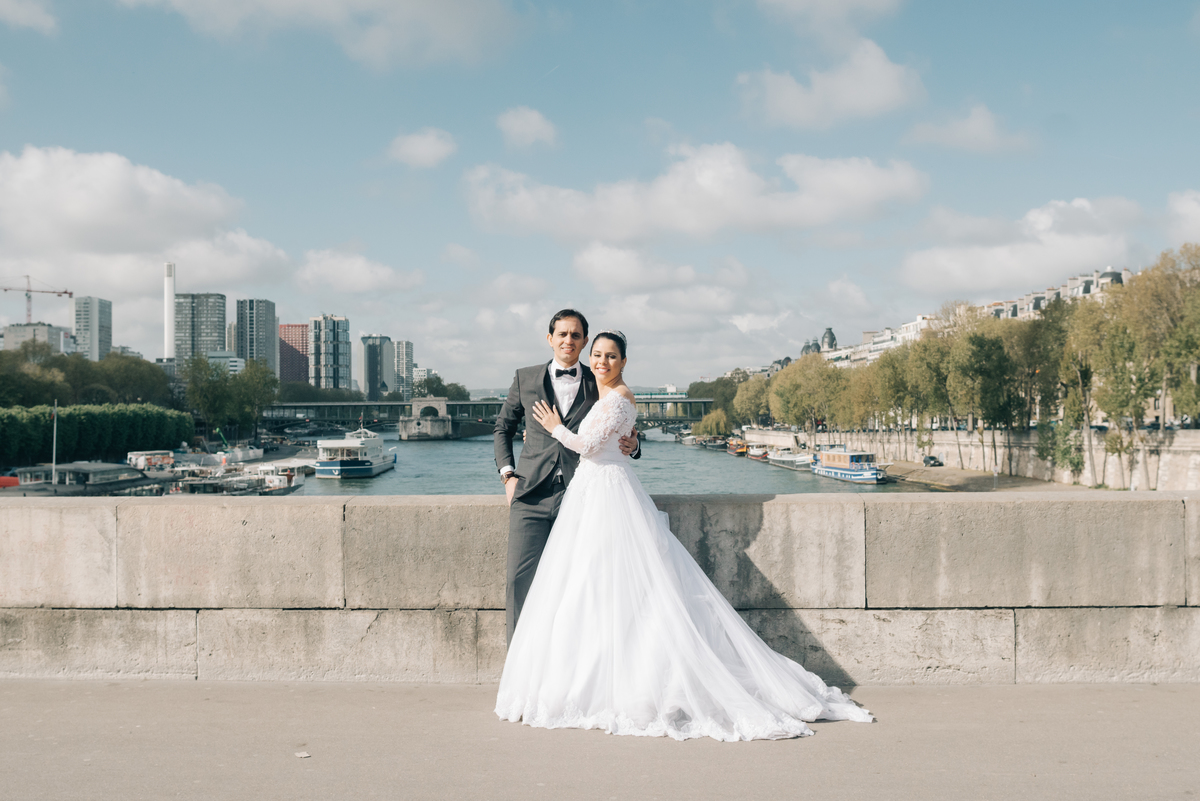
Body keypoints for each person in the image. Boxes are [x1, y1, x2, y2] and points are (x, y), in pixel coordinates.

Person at [495, 330, 873, 741]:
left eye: (608, 355)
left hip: (598, 493)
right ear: (552, 338)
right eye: (596, 354)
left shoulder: (604, 386)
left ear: (621, 360)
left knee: (605, 586)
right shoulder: (563, 381)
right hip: (562, 493)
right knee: (577, 586)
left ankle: (602, 684)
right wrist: (508, 473)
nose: (600, 361)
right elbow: (510, 428)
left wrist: (573, 429)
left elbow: (594, 441)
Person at [493, 309, 640, 645]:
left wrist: (634, 444)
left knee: (577, 585)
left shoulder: (599, 379)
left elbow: (619, 423)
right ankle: (518, 664)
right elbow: (503, 427)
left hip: (580, 496)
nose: (568, 340)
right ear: (550, 338)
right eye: (562, 334)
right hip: (530, 493)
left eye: (576, 335)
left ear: (585, 342)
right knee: (519, 580)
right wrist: (507, 475)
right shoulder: (525, 378)